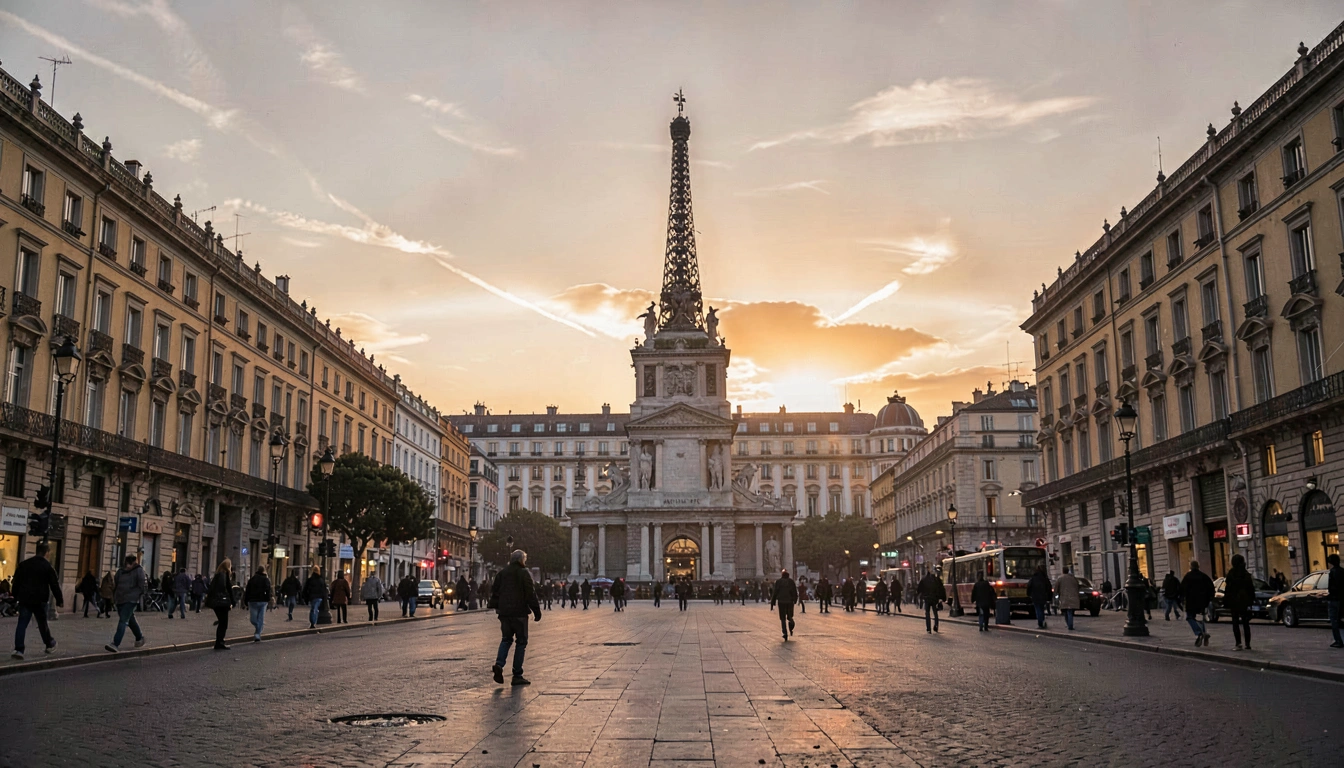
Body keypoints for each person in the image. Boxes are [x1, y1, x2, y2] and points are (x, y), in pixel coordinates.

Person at [490, 550, 542, 686]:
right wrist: (536, 611)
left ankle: (499, 665)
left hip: (504, 614)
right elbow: (530, 593)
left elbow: (495, 591)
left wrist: (497, 607)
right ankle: (517, 674)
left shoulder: (502, 573)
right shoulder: (524, 573)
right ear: (520, 560)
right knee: (521, 642)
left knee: (506, 639)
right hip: (519, 613)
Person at [10, 542, 63, 660]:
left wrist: (15, 596)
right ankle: (49, 643)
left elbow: (16, 582)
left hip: (25, 599)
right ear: (47, 553)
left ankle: (19, 649)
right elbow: (54, 585)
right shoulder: (47, 567)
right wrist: (59, 600)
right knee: (42, 623)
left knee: (22, 624)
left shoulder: (24, 564)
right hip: (40, 600)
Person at [105, 554, 148, 653]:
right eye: (127, 563)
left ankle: (115, 643)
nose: (128, 566)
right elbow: (115, 584)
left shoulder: (138, 570)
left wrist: (138, 595)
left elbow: (143, 585)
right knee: (130, 619)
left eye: (130, 563)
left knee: (123, 620)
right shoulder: (120, 572)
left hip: (131, 600)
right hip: (120, 599)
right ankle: (139, 637)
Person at [1223, 554, 1256, 651]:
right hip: (1244, 600)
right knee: (1245, 622)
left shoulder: (1231, 574)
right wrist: (1251, 600)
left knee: (1235, 622)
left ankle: (1238, 643)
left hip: (1234, 601)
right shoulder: (1246, 574)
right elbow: (1251, 589)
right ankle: (1248, 644)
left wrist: (1226, 600)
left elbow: (1228, 589)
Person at [1180, 561, 1215, 647]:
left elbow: (1182, 589)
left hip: (1191, 601)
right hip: (1202, 601)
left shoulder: (1188, 576)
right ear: (1198, 566)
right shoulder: (1204, 576)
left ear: (1191, 567)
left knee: (1190, 617)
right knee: (1200, 618)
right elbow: (1211, 588)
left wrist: (1181, 599)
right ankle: (1204, 632)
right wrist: (1209, 599)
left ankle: (1199, 632)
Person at [206, 559, 235, 650]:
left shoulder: (218, 575)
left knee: (222, 622)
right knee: (223, 623)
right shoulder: (223, 575)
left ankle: (219, 642)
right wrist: (230, 601)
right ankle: (219, 642)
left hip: (217, 602)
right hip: (222, 602)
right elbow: (225, 589)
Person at [244, 567, 272, 642]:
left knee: (253, 619)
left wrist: (246, 601)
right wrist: (268, 599)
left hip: (253, 601)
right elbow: (268, 590)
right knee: (260, 618)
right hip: (262, 601)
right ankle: (259, 628)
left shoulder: (252, 579)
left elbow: (247, 591)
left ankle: (257, 634)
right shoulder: (265, 579)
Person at [774, 569, 798, 641]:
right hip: (790, 602)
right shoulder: (791, 582)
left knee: (783, 619)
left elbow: (775, 592)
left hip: (781, 602)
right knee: (790, 616)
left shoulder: (778, 582)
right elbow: (794, 591)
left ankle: (785, 633)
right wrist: (795, 600)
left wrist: (773, 602)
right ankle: (791, 623)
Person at [1326, 553, 1344, 649]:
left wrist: (1328, 595)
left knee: (1334, 620)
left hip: (1334, 599)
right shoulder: (1342, 571)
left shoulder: (1332, 572)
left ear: (1330, 563)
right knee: (1341, 620)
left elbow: (1332, 588)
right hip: (1342, 599)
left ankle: (1338, 640)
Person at [1055, 566, 1080, 631]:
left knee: (1066, 612)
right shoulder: (1073, 578)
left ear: (1063, 571)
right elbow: (1077, 586)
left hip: (1064, 597)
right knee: (1070, 612)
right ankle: (1070, 625)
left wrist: (1056, 594)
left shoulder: (1060, 578)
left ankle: (1069, 625)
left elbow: (1056, 588)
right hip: (1073, 597)